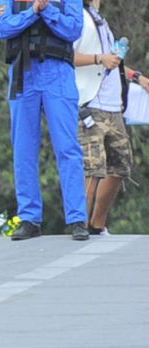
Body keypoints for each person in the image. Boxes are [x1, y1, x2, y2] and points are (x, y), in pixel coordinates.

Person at [0, 0, 91, 238]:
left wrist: (47, 9)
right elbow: (1, 27)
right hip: (22, 76)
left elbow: (73, 29)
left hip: (57, 74)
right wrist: (33, 11)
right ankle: (29, 219)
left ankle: (77, 218)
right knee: (23, 149)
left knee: (68, 147)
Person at [75, 0, 140, 235]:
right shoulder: (77, 17)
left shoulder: (99, 19)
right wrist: (99, 58)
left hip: (113, 105)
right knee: (92, 168)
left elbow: (114, 60)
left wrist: (136, 76)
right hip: (90, 102)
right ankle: (78, 225)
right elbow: (66, 56)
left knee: (121, 165)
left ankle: (97, 225)